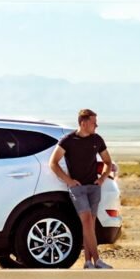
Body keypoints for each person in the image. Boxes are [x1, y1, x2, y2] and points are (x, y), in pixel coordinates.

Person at [49, 108, 116, 269]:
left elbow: (108, 161)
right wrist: (69, 181)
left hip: (94, 187)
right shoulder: (68, 140)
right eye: (94, 123)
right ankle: (98, 260)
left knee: (90, 225)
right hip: (77, 189)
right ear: (83, 123)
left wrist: (101, 179)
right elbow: (53, 163)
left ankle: (87, 262)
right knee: (86, 221)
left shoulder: (97, 139)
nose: (96, 126)